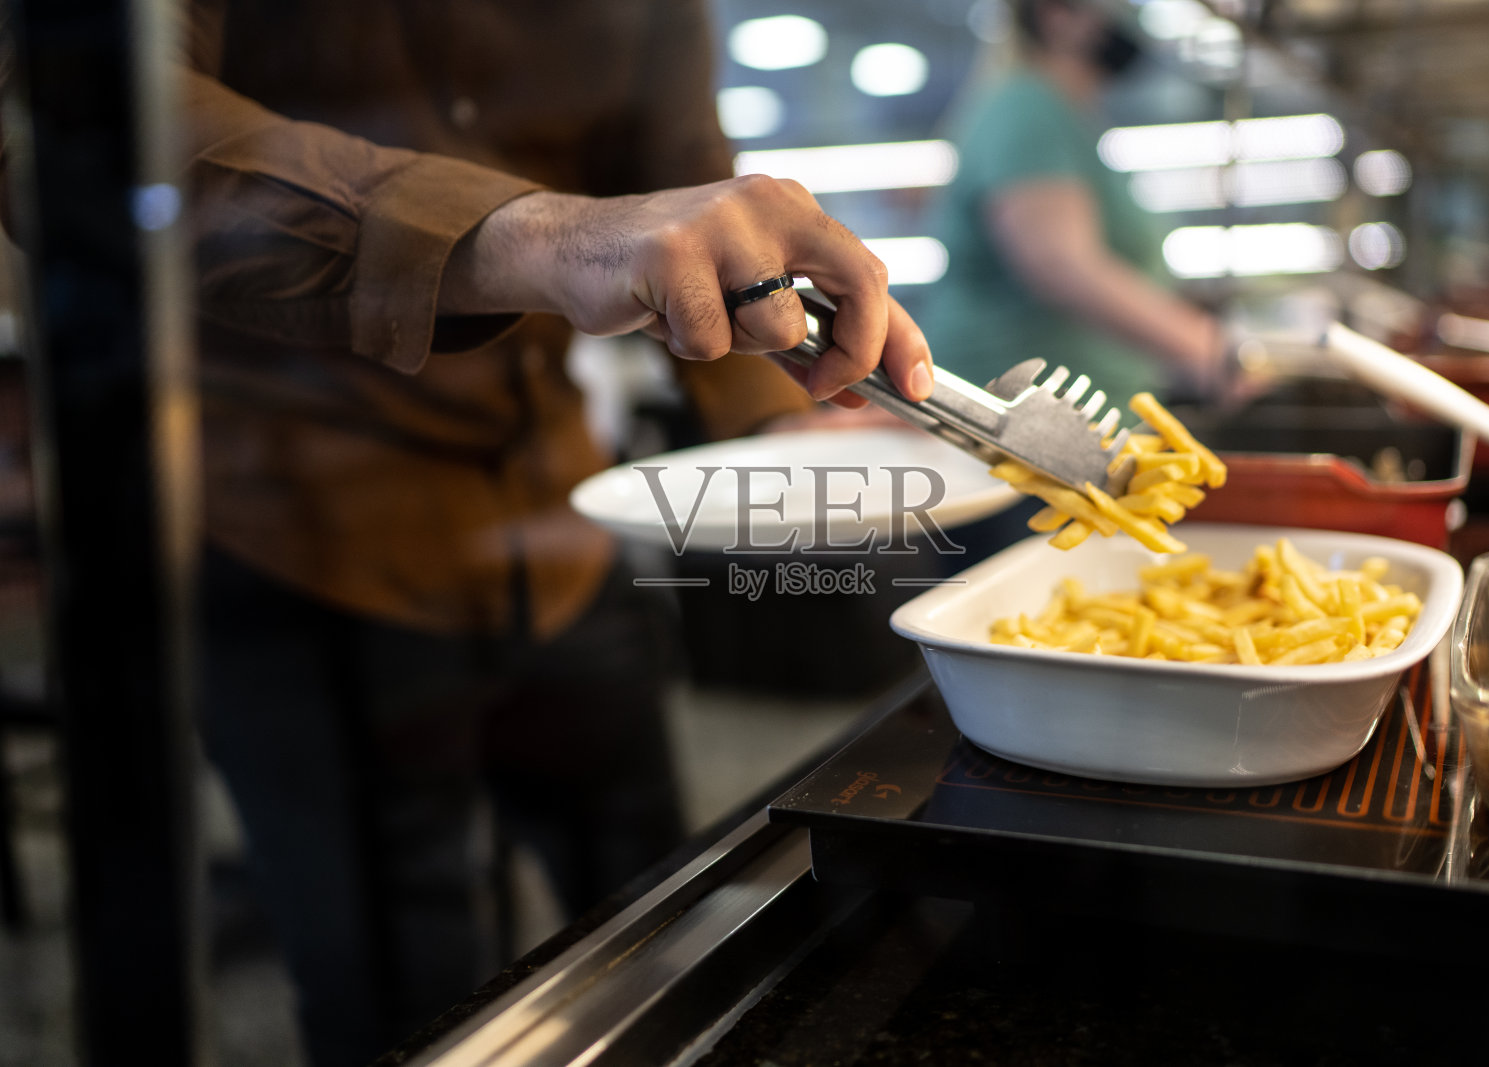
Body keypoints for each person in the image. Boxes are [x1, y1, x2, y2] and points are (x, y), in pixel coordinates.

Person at [5, 4, 932, 1065]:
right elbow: (100, 121)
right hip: (299, 529)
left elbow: (677, 172)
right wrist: (531, 234)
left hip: (554, 512)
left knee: (663, 925)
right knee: (406, 994)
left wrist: (793, 415)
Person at [919, 0, 1221, 406]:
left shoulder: (1064, 115)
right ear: (1056, 15)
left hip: (1067, 418)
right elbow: (1059, 264)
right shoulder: (1028, 108)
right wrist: (1209, 348)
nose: (1131, 17)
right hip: (1022, 421)